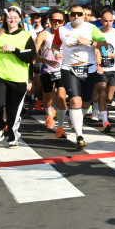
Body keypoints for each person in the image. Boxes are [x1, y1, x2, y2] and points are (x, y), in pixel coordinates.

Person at [55, 4, 110, 150]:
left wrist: (91, 42)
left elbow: (105, 46)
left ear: (84, 15)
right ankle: (79, 136)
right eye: (73, 14)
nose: (76, 16)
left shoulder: (91, 28)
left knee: (86, 102)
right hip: (69, 69)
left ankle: (76, 120)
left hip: (89, 70)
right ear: (69, 15)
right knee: (75, 101)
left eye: (79, 14)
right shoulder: (62, 29)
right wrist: (56, 53)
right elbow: (55, 46)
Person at [0, 7, 35, 148]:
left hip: (17, 77)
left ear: (20, 19)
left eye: (15, 17)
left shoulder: (26, 36)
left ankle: (13, 136)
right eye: (9, 17)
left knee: (12, 110)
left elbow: (31, 57)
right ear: (5, 19)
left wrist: (15, 50)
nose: (12, 20)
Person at [35, 9, 67, 137]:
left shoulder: (67, 34)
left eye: (60, 21)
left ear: (64, 22)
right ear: (50, 21)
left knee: (61, 96)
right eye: (55, 21)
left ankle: (60, 127)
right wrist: (45, 61)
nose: (57, 23)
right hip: (47, 70)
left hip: (63, 70)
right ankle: (49, 114)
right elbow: (34, 54)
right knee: (47, 97)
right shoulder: (44, 34)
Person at [93, 8, 115, 133]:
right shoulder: (97, 33)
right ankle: (105, 121)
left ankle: (102, 107)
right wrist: (100, 60)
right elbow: (95, 48)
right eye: (105, 21)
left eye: (110, 21)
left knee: (109, 97)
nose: (108, 23)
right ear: (101, 21)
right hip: (101, 67)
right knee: (102, 89)